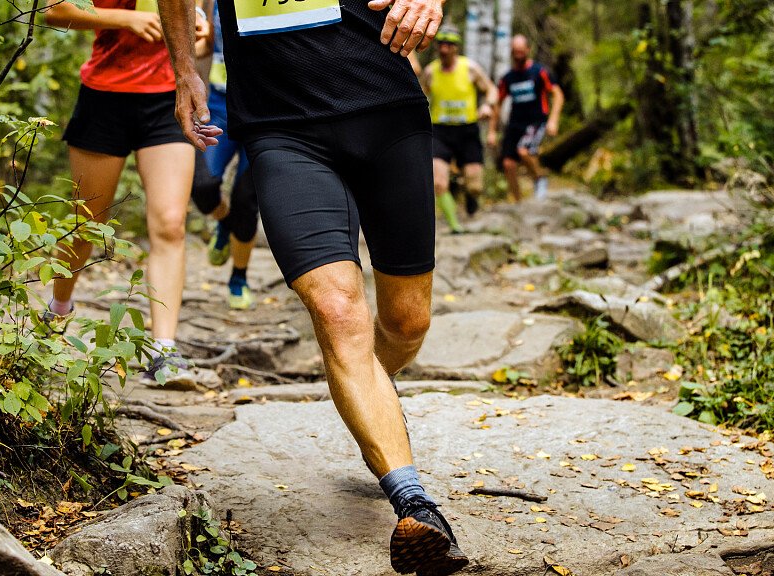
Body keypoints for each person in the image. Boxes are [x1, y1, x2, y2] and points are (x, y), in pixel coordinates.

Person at [158, 0, 470, 573]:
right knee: (336, 308)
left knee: (406, 323)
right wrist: (184, 72)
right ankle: (415, 503)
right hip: (281, 128)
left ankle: (362, 388)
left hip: (385, 105)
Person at [43, 0, 217, 384]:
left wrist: (200, 40)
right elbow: (54, 11)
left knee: (171, 223)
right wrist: (128, 19)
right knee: (88, 223)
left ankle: (164, 351)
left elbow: (201, 44)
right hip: (104, 96)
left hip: (168, 101)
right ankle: (56, 311)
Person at [190, 0, 259, 310]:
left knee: (247, 199)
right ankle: (225, 222)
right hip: (219, 107)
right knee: (202, 186)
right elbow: (204, 45)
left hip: (267, 113)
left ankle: (238, 279)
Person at [421, 27, 497, 233]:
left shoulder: (470, 68)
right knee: (438, 182)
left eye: (449, 45)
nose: (444, 49)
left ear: (456, 47)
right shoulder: (430, 72)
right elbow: (419, 98)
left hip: (467, 132)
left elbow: (491, 89)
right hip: (440, 132)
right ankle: (455, 225)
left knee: (475, 185)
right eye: (441, 44)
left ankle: (470, 194)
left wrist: (487, 105)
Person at [487, 34, 564, 202]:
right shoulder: (508, 78)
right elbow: (498, 104)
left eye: (521, 51)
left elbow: (557, 94)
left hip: (536, 120)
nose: (518, 55)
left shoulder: (539, 72)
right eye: (515, 52)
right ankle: (518, 203)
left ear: (528, 50)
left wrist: (553, 120)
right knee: (508, 164)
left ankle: (539, 179)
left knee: (524, 151)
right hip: (515, 123)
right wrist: (492, 131)